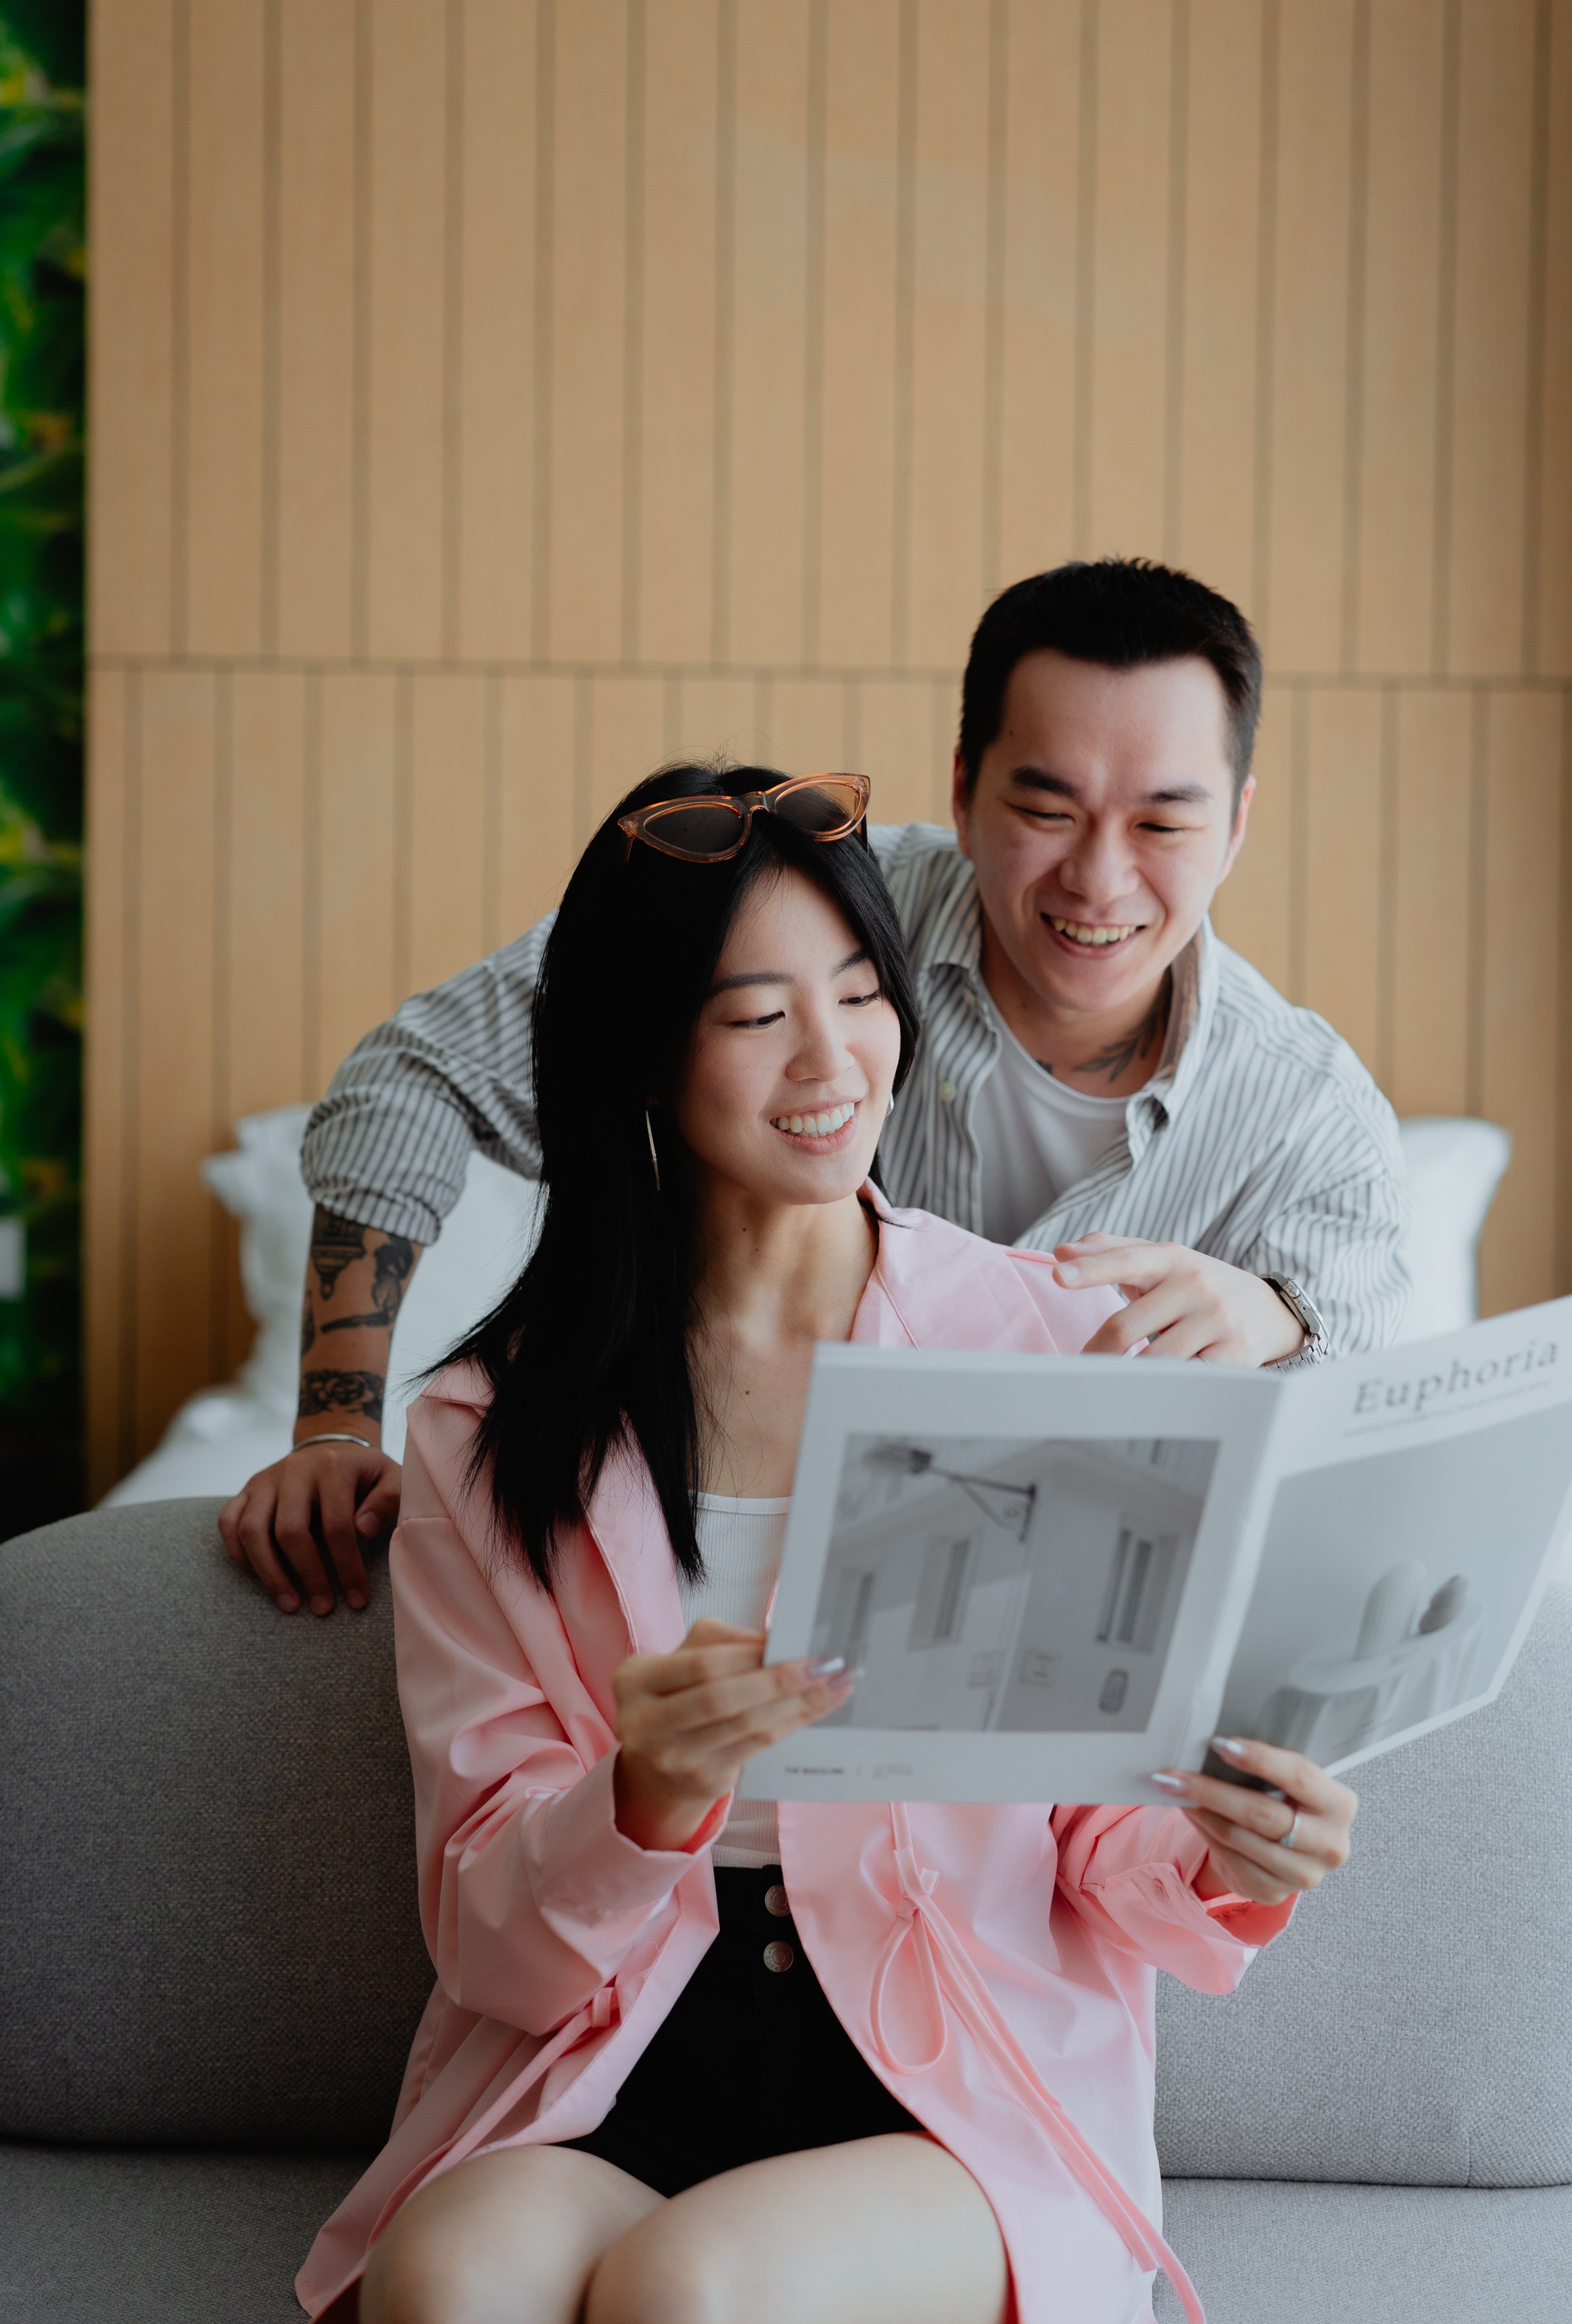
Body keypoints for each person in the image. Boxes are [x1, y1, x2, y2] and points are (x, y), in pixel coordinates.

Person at [296, 765, 1357, 2324]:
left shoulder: (1053, 1344)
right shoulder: (484, 1426)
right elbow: (492, 1947)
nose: (831, 1061)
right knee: (440, 2283)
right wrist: (642, 1795)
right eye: (752, 1016)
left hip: (948, 2053)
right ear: (641, 1053)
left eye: (860, 995)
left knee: (689, 2290)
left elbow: (1099, 1845)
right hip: (626, 2027)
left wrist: (1232, 1862)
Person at [224, 558, 1408, 1616]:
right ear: (961, 788)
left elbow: (1360, 1462)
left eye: (1163, 821)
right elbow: (412, 1075)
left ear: (1238, 826)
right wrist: (335, 1418)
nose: (1099, 878)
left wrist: (1283, 1318)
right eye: (1046, 810)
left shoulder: (1310, 1118)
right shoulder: (813, 900)